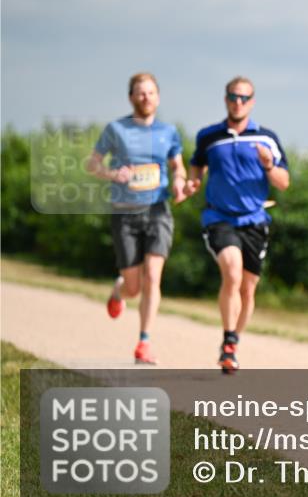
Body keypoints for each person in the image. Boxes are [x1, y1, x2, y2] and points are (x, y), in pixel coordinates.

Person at [185, 76, 290, 374]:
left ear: (252, 102)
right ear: (226, 99)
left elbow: (284, 183)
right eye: (233, 96)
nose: (238, 102)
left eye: (244, 98)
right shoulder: (209, 136)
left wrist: (269, 165)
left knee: (247, 289)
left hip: (255, 220)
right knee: (231, 270)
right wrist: (192, 182)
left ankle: (232, 344)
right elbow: (196, 166)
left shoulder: (266, 138)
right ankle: (228, 339)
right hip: (218, 217)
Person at [87, 72, 188, 365]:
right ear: (131, 97)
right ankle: (119, 289)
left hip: (158, 210)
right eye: (140, 93)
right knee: (135, 287)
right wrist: (111, 173)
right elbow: (92, 163)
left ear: (158, 97)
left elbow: (177, 167)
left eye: (151, 93)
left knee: (154, 276)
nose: (146, 98)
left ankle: (144, 341)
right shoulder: (116, 129)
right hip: (124, 214)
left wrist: (180, 183)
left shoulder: (169, 132)